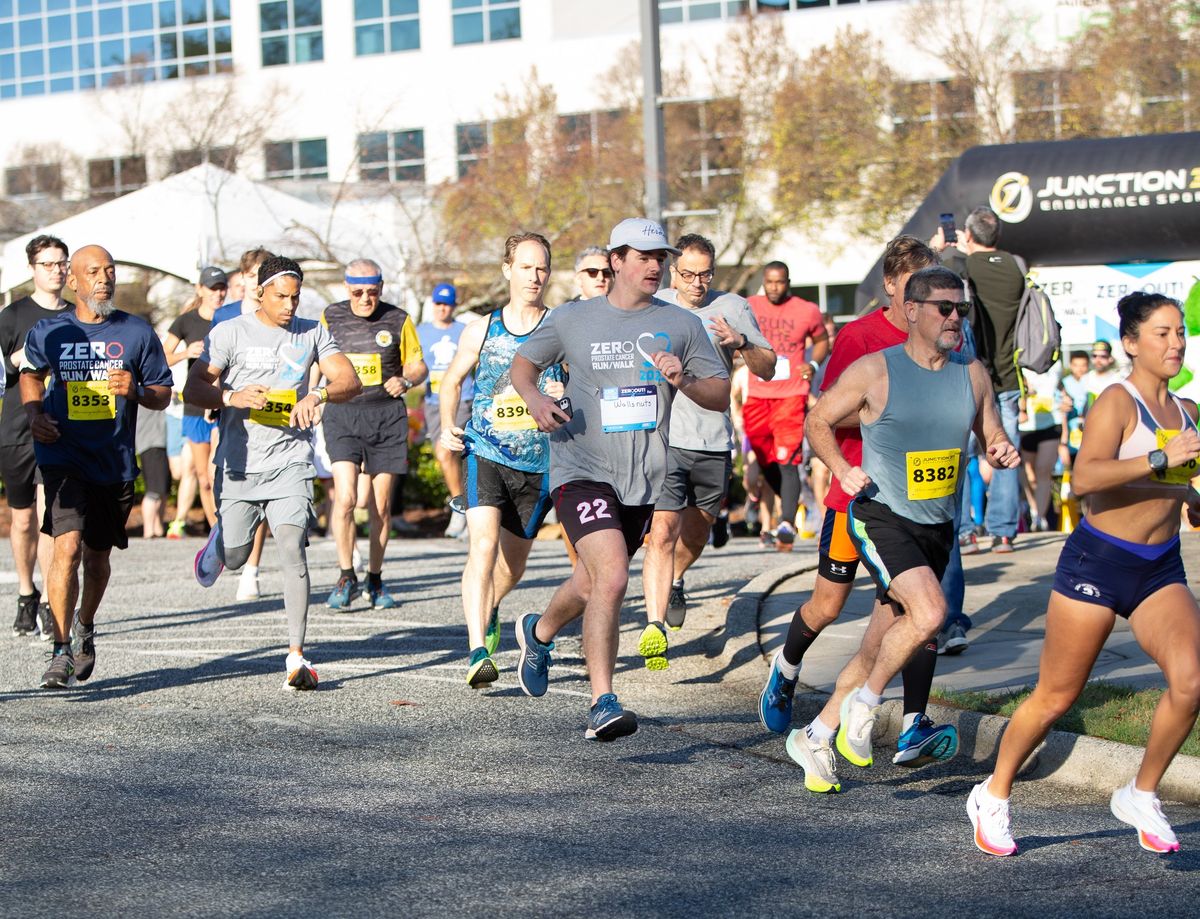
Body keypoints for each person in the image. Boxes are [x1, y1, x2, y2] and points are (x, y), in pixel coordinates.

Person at [968, 292, 1200, 857]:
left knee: (1191, 680)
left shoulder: (1189, 412)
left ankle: (1141, 794)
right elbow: (1084, 480)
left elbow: (1168, 487)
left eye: (1180, 332)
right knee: (1055, 696)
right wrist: (1160, 462)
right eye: (1162, 333)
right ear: (1131, 343)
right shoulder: (1117, 402)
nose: (1175, 343)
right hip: (1098, 561)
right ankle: (993, 794)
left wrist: (1191, 496)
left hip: (1159, 566)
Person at [787, 266, 1018, 793]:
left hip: (937, 527)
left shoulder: (972, 373)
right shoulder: (876, 370)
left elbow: (992, 433)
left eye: (962, 308)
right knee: (932, 613)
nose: (956, 317)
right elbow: (817, 420)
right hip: (881, 516)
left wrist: (1001, 450)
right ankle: (866, 706)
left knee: (879, 644)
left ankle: (817, 734)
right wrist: (841, 469)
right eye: (945, 307)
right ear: (912, 310)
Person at [510, 217, 729, 741]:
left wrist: (686, 379)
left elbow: (720, 395)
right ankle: (602, 701)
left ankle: (538, 632)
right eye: (644, 256)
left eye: (661, 258)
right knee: (611, 577)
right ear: (616, 260)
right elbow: (522, 367)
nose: (655, 266)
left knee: (590, 582)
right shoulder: (572, 319)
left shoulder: (681, 325)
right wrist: (537, 399)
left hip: (644, 478)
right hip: (580, 468)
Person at [759, 238, 969, 784]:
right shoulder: (862, 339)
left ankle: (907, 721)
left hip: (918, 507)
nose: (935, 304)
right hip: (856, 499)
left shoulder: (945, 344)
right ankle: (787, 671)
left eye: (944, 295)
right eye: (922, 287)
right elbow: (829, 411)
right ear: (895, 287)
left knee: (913, 615)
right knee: (829, 607)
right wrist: (888, 410)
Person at [186, 256, 361, 690]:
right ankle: (221, 544)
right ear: (259, 292)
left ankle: (297, 656)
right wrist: (230, 395)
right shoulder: (230, 332)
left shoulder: (312, 331)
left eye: (295, 297)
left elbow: (350, 380)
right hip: (240, 465)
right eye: (280, 296)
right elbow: (193, 387)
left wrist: (317, 394)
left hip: (290, 462)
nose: (288, 305)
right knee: (237, 557)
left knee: (290, 547)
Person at [19, 245, 174, 688]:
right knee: (66, 546)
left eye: (109, 271)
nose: (104, 278)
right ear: (74, 281)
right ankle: (60, 649)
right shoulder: (50, 330)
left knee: (97, 557)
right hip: (63, 455)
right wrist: (34, 415)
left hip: (114, 460)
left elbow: (164, 392)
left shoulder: (137, 332)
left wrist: (137, 390)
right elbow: (30, 373)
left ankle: (85, 625)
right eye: (93, 272)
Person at [639, 233, 774, 668]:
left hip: (712, 439)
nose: (697, 283)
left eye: (705, 274)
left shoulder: (732, 306)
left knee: (695, 533)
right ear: (673, 271)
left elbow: (768, 368)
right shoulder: (653, 304)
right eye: (688, 274)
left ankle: (677, 577)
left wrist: (741, 343)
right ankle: (655, 625)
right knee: (660, 533)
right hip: (662, 437)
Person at [438, 233, 564, 688]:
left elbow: (582, 386)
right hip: (486, 451)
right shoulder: (482, 328)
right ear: (507, 269)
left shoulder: (560, 326)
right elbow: (452, 380)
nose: (534, 276)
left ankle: (490, 607)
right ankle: (476, 652)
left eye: (542, 268)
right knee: (482, 547)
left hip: (539, 462)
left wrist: (562, 395)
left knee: (512, 567)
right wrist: (448, 423)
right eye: (526, 266)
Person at [320, 258, 426, 610]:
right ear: (346, 288)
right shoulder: (330, 316)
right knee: (347, 498)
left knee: (380, 504)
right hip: (342, 414)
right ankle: (346, 573)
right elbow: (312, 361)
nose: (366, 298)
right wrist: (309, 397)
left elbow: (417, 364)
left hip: (385, 416)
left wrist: (407, 379)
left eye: (372, 291)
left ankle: (376, 580)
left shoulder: (398, 319)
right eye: (358, 292)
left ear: (381, 287)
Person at [932, 206, 1025, 552]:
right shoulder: (1016, 266)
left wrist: (942, 249)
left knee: (964, 453)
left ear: (968, 235)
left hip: (971, 373)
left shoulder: (964, 266)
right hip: (1010, 377)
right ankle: (1003, 532)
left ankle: (966, 531)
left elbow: (930, 282)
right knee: (1005, 453)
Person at [0, 235, 71, 641]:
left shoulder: (76, 317)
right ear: (32, 269)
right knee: (23, 519)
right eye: (48, 264)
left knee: (49, 517)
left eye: (61, 263)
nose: (56, 270)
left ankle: (50, 602)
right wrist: (16, 360)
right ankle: (27, 593)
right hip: (15, 430)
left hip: (59, 430)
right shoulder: (11, 317)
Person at [744, 261, 829, 550]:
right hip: (757, 393)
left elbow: (821, 339)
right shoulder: (748, 305)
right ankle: (792, 503)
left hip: (791, 393)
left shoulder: (806, 310)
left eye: (779, 282)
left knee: (788, 458)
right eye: (769, 282)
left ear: (788, 282)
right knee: (763, 456)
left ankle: (787, 521)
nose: (774, 287)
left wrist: (813, 363)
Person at [208, 248, 276, 600]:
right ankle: (225, 529)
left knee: (261, 489)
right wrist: (215, 399)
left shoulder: (281, 314)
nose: (255, 282)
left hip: (269, 414)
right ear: (243, 279)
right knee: (217, 477)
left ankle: (251, 569)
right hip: (231, 410)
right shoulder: (225, 316)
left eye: (262, 275)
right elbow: (212, 363)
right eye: (250, 276)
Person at [163, 266, 229, 535]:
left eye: (222, 287)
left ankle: (227, 531)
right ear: (200, 289)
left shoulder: (232, 318)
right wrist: (185, 353)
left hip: (225, 403)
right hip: (195, 407)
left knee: (218, 472)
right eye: (213, 288)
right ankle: (217, 535)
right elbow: (161, 357)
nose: (218, 293)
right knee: (204, 478)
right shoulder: (185, 322)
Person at [416, 282, 473, 539]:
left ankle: (460, 508)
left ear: (454, 306)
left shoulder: (465, 331)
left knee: (446, 450)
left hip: (462, 398)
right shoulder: (421, 332)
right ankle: (463, 505)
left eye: (447, 304)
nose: (442, 308)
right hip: (432, 402)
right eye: (438, 304)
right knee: (446, 458)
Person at [1017, 363, 1065, 531]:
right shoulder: (1021, 365)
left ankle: (1040, 517)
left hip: (1052, 423)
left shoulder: (1055, 364)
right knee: (1030, 476)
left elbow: (1060, 388)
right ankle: (1033, 508)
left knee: (1044, 471)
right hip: (1027, 426)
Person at [135, 406, 170, 538]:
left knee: (162, 489)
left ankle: (157, 527)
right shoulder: (146, 392)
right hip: (151, 442)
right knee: (153, 490)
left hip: (157, 442)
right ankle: (148, 530)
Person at [1086, 338, 1122, 402]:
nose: (1098, 360)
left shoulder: (1118, 380)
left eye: (1103, 356)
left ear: (1110, 358)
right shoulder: (1086, 379)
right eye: (1094, 356)